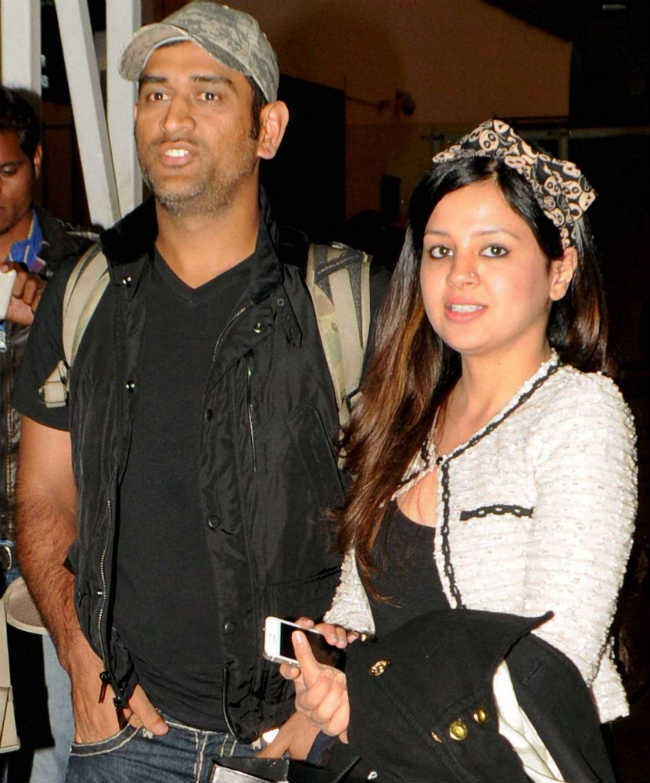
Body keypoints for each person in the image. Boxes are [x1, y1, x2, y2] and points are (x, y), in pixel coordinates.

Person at [11, 3, 384, 782]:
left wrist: (339, 687)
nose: (173, 117)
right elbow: (43, 494)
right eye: (155, 93)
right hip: (124, 737)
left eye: (208, 93)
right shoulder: (84, 293)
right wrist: (80, 656)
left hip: (295, 737)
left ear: (268, 129)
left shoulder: (345, 301)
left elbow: (403, 518)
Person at [281, 120, 637, 781]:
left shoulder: (581, 413)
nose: (460, 275)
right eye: (440, 251)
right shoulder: (403, 416)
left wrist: (366, 704)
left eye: (494, 250)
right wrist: (333, 662)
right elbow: (360, 607)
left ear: (560, 270)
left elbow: (549, 666)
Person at [0, 87, 94, 783]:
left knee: (56, 755)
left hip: (54, 553)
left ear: (36, 161)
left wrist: (54, 324)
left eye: (6, 171)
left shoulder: (87, 264)